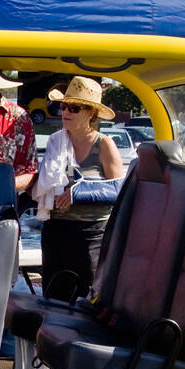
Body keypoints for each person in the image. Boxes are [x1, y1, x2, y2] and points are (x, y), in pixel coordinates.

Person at [32, 76, 124, 300]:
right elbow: (44, 182)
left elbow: (120, 190)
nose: (66, 112)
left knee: (87, 296)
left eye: (74, 108)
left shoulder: (104, 144)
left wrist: (80, 194)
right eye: (63, 106)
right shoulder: (55, 141)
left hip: (90, 233)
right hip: (55, 229)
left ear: (90, 113)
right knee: (53, 296)